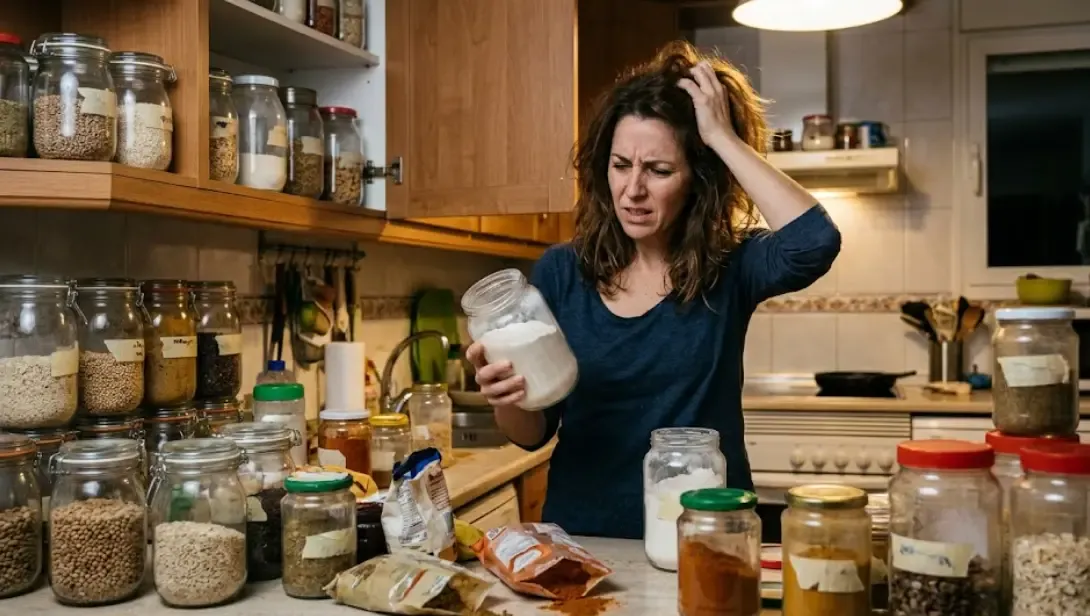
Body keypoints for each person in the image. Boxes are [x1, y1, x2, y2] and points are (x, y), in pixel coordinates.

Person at [465, 42, 842, 539]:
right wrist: (505, 398)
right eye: (621, 165)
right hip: (587, 538)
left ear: (698, 179)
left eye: (659, 171)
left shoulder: (730, 266)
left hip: (705, 533)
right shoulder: (562, 271)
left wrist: (721, 137)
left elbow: (814, 242)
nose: (633, 190)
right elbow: (533, 435)